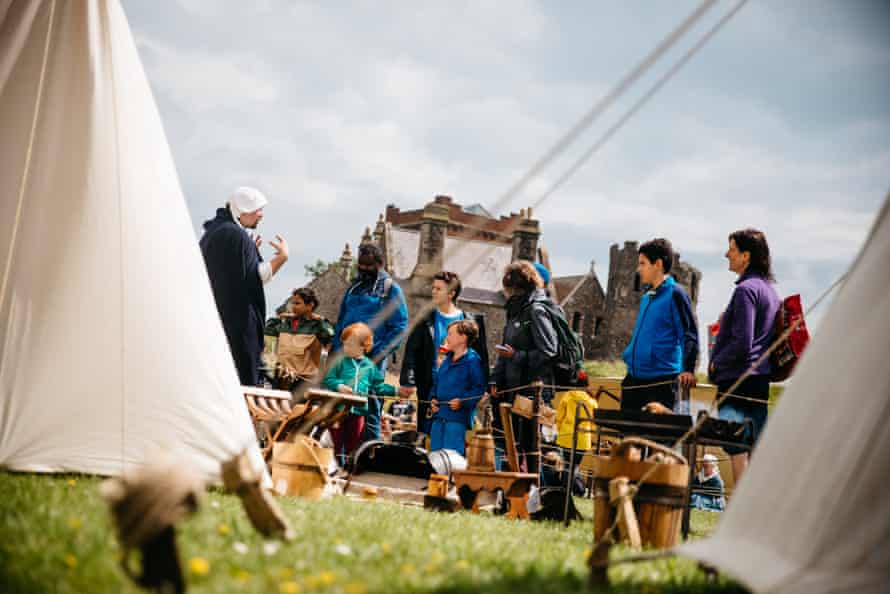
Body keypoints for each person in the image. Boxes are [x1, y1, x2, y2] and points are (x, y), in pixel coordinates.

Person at [709, 228, 780, 483]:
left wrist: (717, 362)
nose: (727, 254)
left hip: (738, 380)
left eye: (732, 249)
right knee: (752, 448)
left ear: (746, 256)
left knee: (737, 448)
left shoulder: (745, 291)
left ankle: (737, 515)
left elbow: (742, 343)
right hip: (760, 380)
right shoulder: (770, 291)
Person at [200, 187, 289, 386]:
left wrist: (249, 254)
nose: (261, 214)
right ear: (243, 209)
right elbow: (254, 278)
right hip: (236, 323)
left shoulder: (217, 232)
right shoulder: (235, 236)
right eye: (257, 209)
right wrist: (282, 258)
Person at [332, 243, 409, 442]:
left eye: (369, 265)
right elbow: (341, 321)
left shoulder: (390, 289)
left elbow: (400, 327)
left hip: (372, 358)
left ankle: (369, 454)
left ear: (380, 264)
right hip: (345, 357)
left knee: (371, 407)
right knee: (341, 407)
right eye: (361, 265)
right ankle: (342, 457)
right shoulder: (353, 288)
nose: (364, 269)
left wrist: (378, 352)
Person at [399, 271, 488, 436]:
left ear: (451, 293)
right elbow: (412, 351)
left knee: (457, 439)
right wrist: (407, 381)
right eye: (433, 288)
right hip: (430, 390)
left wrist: (484, 389)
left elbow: (481, 357)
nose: (433, 291)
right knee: (427, 437)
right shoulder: (424, 320)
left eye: (438, 289)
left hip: (460, 393)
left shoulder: (470, 321)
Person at [491, 261, 559, 470]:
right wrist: (495, 379)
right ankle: (512, 496)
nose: (507, 292)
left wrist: (517, 355)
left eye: (509, 288)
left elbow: (549, 351)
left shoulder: (536, 310)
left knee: (531, 450)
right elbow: (506, 348)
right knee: (511, 446)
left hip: (533, 392)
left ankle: (533, 494)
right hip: (512, 389)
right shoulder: (515, 310)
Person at [621, 238, 699, 412]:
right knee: (628, 436)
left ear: (657, 264)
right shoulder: (646, 297)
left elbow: (689, 333)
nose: (638, 269)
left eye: (642, 263)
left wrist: (688, 369)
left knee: (656, 438)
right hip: (634, 379)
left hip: (661, 382)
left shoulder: (676, 294)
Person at [323, 323, 396, 464]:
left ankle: (349, 470)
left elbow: (379, 386)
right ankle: (336, 468)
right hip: (337, 410)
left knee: (354, 443)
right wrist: (339, 386)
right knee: (337, 443)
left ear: (363, 346)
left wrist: (396, 391)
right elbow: (329, 379)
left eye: (350, 345)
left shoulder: (369, 366)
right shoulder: (340, 362)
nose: (346, 348)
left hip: (358, 412)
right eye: (344, 344)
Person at [428, 320, 487, 455]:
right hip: (439, 415)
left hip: (457, 418)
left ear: (463, 337)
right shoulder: (447, 359)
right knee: (435, 454)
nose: (446, 337)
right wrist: (433, 399)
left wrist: (463, 401)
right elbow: (437, 382)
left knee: (451, 455)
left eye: (450, 334)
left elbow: (479, 388)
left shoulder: (473, 361)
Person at [263, 287, 335, 390]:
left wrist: (321, 320)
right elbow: (268, 334)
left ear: (310, 305)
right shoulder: (285, 323)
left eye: (297, 303)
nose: (293, 307)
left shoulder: (317, 326)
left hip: (304, 382)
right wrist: (278, 318)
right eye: (292, 303)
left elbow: (331, 336)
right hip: (281, 379)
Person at [554, 371, 598, 466]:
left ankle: (567, 481)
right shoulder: (592, 401)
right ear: (587, 384)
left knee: (567, 465)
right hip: (583, 438)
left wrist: (558, 430)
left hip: (566, 436)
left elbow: (559, 416)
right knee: (575, 466)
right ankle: (571, 480)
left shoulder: (568, 395)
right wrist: (591, 436)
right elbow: (594, 423)